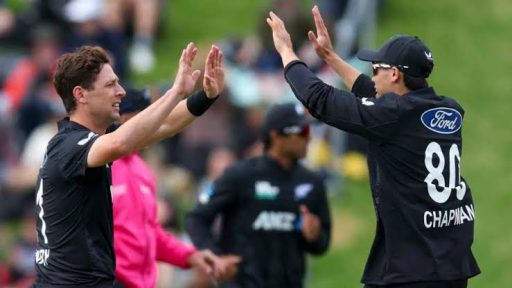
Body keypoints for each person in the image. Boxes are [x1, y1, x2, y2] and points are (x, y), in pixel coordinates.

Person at [267, 6, 480, 288]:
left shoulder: (391, 115)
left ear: (394, 74)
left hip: (412, 268)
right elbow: (375, 94)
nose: (372, 74)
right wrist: (330, 57)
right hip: (451, 262)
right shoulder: (446, 109)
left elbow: (318, 98)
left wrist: (286, 53)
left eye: (376, 69)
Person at [33, 43, 225, 286]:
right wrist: (175, 91)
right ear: (81, 95)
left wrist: (206, 97)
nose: (121, 92)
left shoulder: (94, 144)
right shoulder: (69, 146)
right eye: (111, 84)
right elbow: (121, 143)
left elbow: (164, 126)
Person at [186, 102, 332, 288]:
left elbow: (321, 245)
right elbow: (196, 218)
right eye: (302, 132)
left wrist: (315, 235)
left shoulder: (312, 183)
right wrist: (216, 256)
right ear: (276, 136)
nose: (309, 138)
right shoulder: (239, 175)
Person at [111, 87, 226, 288]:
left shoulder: (142, 170)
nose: (152, 126)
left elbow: (150, 232)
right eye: (145, 118)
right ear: (125, 118)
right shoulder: (98, 164)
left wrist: (190, 256)